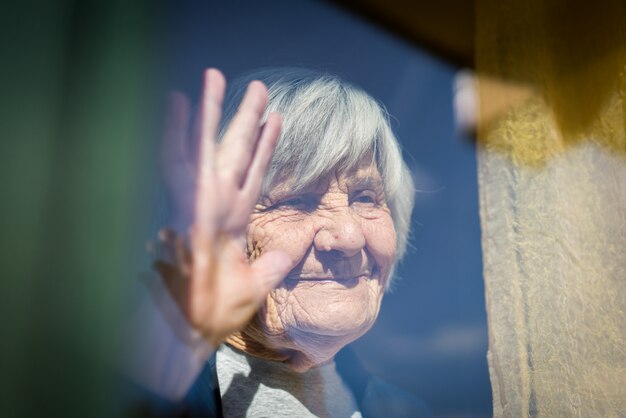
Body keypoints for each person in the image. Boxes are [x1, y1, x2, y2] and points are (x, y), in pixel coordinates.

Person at [127, 67, 428, 417]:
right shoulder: (122, 388)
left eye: (364, 198)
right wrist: (167, 355)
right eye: (295, 201)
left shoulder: (407, 412)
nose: (349, 236)